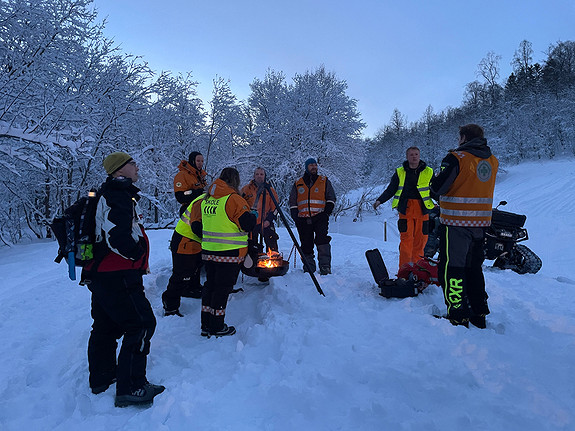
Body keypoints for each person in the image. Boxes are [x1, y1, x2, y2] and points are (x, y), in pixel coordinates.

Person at [82, 151, 164, 407]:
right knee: (141, 324)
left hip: (100, 273)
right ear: (119, 170)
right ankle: (132, 387)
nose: (137, 167)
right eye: (132, 163)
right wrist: (136, 253)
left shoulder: (105, 193)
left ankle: (102, 378)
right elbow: (116, 235)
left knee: (105, 325)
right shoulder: (118, 195)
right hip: (118, 273)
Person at [430, 124, 498, 328]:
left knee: (452, 268)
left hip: (456, 223)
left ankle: (457, 315)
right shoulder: (492, 160)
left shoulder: (457, 158)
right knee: (474, 268)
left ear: (464, 137)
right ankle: (479, 313)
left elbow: (438, 188)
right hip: (481, 223)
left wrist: (435, 180)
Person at [191, 167, 256, 338]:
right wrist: (252, 215)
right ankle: (217, 325)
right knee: (222, 290)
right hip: (229, 253)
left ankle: (206, 324)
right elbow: (246, 224)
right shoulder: (234, 199)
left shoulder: (207, 200)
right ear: (235, 180)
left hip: (208, 252)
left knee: (210, 287)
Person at [373, 146, 435, 271]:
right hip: (406, 210)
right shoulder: (400, 172)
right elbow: (391, 189)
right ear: (407, 157)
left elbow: (435, 190)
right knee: (406, 241)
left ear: (419, 155)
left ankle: (418, 272)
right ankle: (404, 271)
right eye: (411, 154)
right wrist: (380, 200)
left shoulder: (429, 171)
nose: (414, 156)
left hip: (423, 210)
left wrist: (444, 201)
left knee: (421, 241)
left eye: (416, 154)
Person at [289, 158, 336, 275]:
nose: (314, 167)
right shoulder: (298, 183)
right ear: (306, 167)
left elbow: (331, 197)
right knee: (306, 243)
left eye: (315, 165)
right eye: (311, 165)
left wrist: (327, 212)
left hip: (320, 217)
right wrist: (295, 216)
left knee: (322, 241)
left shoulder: (324, 181)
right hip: (303, 219)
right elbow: (292, 201)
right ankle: (309, 266)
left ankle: (325, 266)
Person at [161, 192, 206, 317]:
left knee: (194, 269)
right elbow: (196, 227)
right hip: (184, 240)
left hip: (193, 241)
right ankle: (170, 305)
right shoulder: (202, 201)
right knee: (182, 274)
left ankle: (192, 288)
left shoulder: (208, 199)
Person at [241, 167, 279, 253]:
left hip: (266, 222)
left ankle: (273, 261)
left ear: (265, 176)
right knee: (252, 247)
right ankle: (254, 263)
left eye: (261, 174)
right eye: (257, 174)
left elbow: (275, 208)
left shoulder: (270, 190)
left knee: (272, 243)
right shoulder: (246, 190)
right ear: (254, 176)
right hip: (251, 223)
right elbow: (239, 205)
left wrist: (269, 220)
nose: (259, 176)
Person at [174, 151, 207, 216]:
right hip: (188, 210)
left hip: (200, 209)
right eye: (198, 161)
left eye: (202, 161)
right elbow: (180, 196)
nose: (200, 163)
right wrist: (198, 192)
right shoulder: (182, 175)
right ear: (192, 161)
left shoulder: (201, 176)